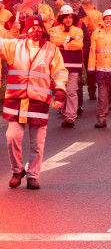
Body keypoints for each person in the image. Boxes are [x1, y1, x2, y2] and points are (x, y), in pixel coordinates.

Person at [1, 16, 68, 189]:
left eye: (39, 28)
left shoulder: (52, 50)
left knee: (37, 142)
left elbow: (60, 71)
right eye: (32, 28)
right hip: (16, 100)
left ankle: (32, 176)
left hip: (38, 102)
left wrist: (59, 91)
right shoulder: (14, 46)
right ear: (26, 30)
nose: (36, 31)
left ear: (43, 30)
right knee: (12, 138)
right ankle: (17, 171)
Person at [49, 5, 86, 128]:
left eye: (70, 18)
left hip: (74, 66)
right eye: (65, 17)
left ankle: (70, 117)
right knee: (62, 91)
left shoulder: (78, 31)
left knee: (71, 92)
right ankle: (66, 115)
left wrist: (62, 44)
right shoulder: (54, 30)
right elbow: (53, 42)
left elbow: (78, 45)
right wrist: (69, 40)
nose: (68, 20)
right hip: (58, 67)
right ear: (61, 18)